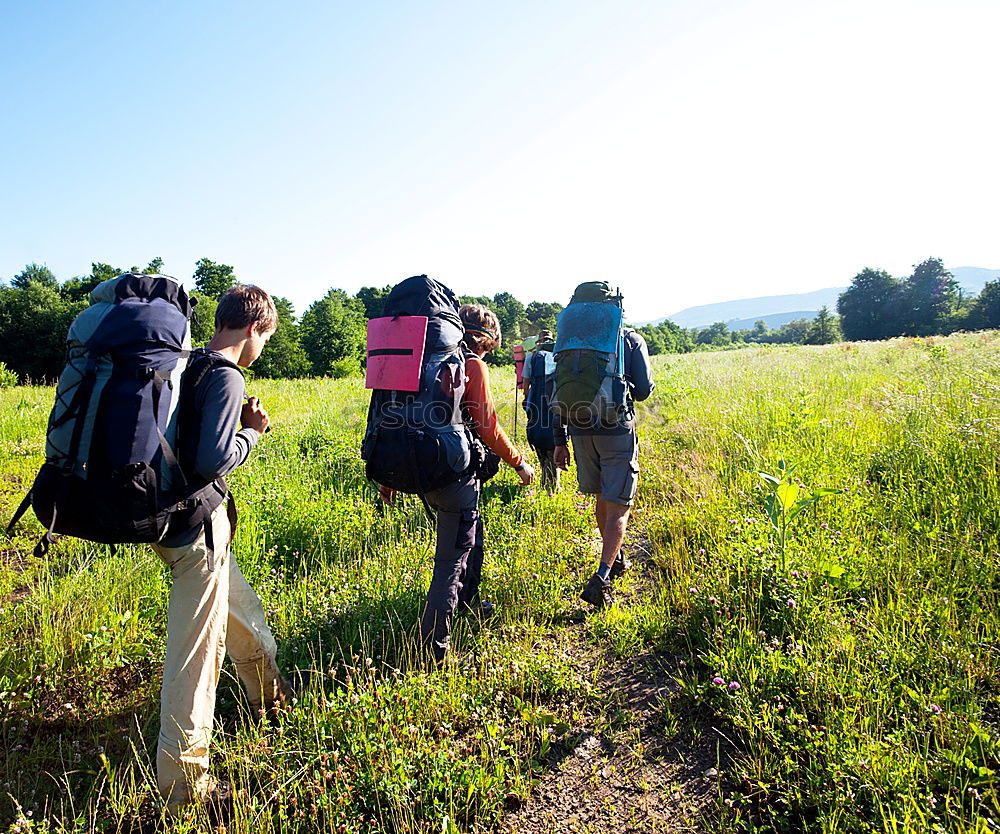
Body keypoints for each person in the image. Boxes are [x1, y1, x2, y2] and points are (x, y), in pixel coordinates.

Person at [152, 284, 292, 816]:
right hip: (196, 532)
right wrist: (252, 433)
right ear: (255, 327)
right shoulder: (228, 374)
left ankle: (270, 700)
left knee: (243, 615)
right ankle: (183, 787)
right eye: (265, 339)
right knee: (195, 659)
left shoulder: (184, 363)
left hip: (172, 524)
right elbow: (212, 460)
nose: (261, 350)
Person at [380, 303, 534, 664]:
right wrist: (519, 463)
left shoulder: (419, 361)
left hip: (417, 470)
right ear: (485, 341)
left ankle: (467, 602)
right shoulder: (471, 364)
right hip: (454, 475)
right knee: (450, 560)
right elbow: (488, 427)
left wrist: (389, 480)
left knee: (470, 537)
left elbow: (393, 416)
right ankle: (433, 650)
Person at [552, 285, 654, 608]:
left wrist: (559, 441)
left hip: (579, 429)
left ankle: (616, 556)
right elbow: (644, 391)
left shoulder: (568, 341)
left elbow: (561, 388)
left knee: (601, 498)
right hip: (615, 427)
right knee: (619, 504)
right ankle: (602, 576)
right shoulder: (628, 338)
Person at [521, 329, 560, 492]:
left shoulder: (532, 356)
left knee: (538, 435)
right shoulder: (558, 354)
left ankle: (547, 478)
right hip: (554, 402)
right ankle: (552, 486)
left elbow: (525, 382)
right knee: (553, 437)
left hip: (537, 402)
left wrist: (526, 397)